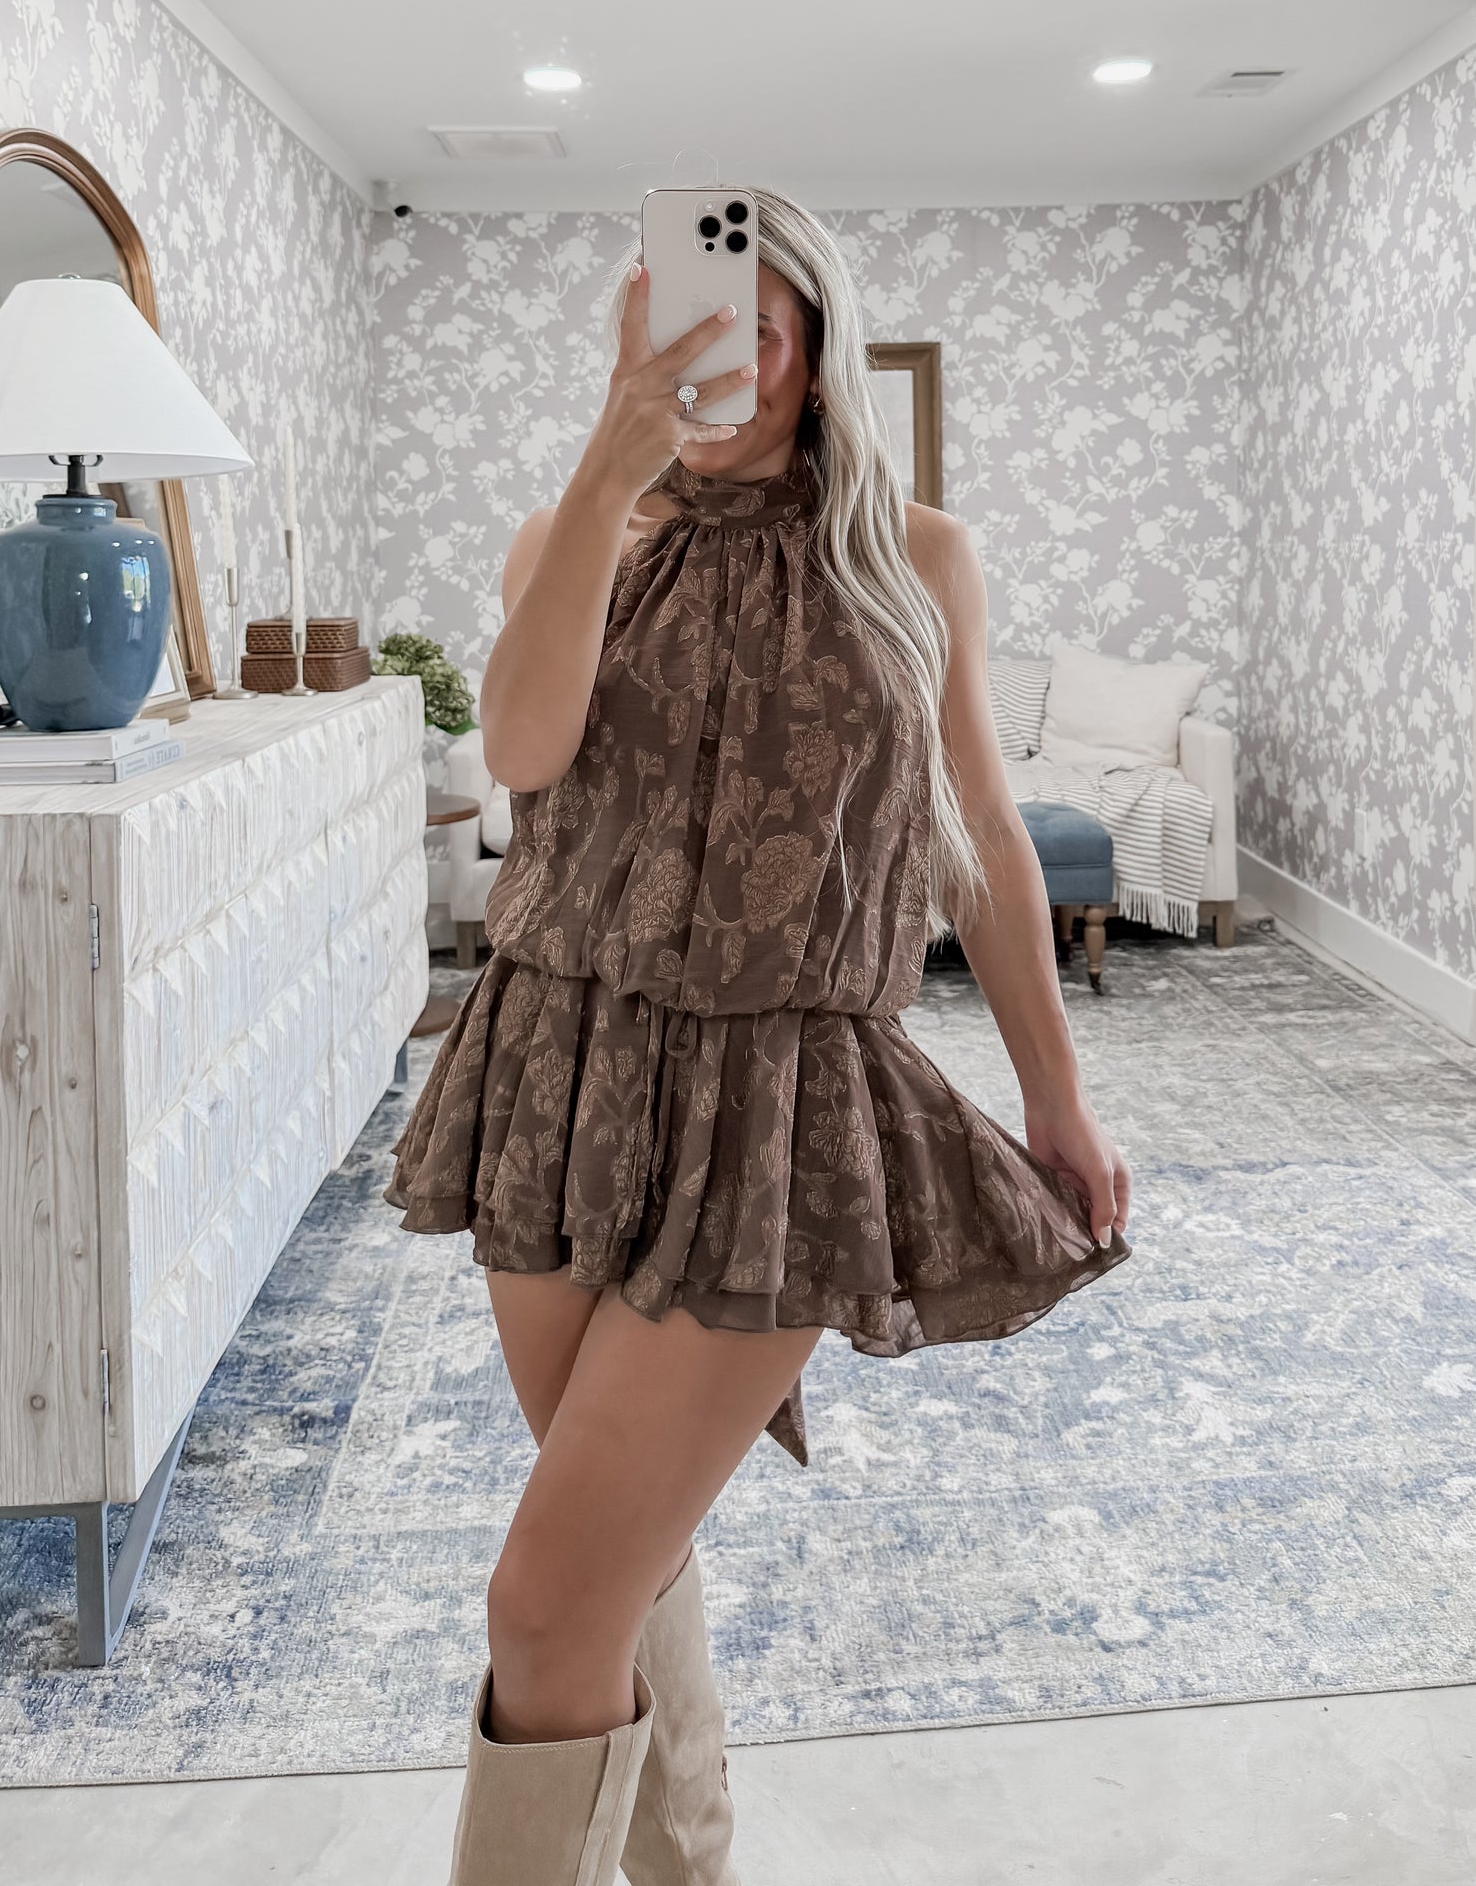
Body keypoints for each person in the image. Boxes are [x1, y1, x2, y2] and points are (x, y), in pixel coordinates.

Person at [385, 185, 1133, 1885]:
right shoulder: (572, 533)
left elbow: (981, 835)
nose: (713, 365)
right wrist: (605, 472)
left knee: (543, 1603)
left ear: (812, 352)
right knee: (619, 1566)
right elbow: (519, 752)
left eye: (752, 333)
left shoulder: (914, 556)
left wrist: (1057, 1096)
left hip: (779, 1100)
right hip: (555, 1075)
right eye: (670, 335)